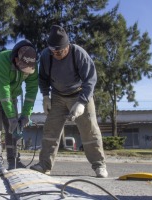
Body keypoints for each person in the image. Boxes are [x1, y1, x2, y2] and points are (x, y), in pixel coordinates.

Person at [30, 25, 108, 178]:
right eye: (53, 51)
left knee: (89, 130)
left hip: (79, 94)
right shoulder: (47, 55)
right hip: (58, 96)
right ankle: (44, 165)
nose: (56, 54)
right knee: (50, 129)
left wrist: (82, 102)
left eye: (59, 51)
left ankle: (99, 165)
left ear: (67, 46)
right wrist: (46, 96)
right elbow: (43, 78)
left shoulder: (78, 54)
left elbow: (90, 79)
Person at [0, 39, 38, 175]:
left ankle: (14, 161)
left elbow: (32, 90)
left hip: (11, 96)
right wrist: (12, 117)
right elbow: (4, 91)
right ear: (16, 59)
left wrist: (26, 115)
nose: (25, 71)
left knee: (13, 130)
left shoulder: (32, 65)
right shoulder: (2, 60)